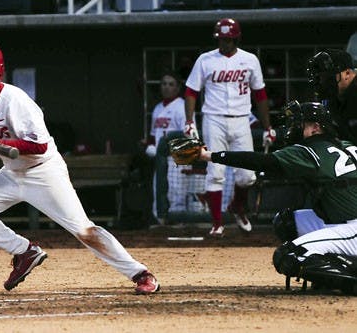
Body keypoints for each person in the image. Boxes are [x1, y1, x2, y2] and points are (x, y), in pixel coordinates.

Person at [0, 43, 160, 294]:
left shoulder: (16, 101)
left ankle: (140, 273)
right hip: (11, 174)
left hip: (42, 172)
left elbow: (39, 145)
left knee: (84, 230)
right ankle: (24, 251)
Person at [196, 100, 357, 294]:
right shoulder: (347, 146)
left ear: (315, 128)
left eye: (300, 123)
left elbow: (263, 162)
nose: (294, 128)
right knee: (287, 222)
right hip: (344, 221)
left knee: (289, 256)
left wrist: (210, 156)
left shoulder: (311, 150)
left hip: (353, 228)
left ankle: (351, 279)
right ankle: (333, 271)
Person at [183, 17, 276, 237]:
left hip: (242, 118)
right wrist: (189, 121)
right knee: (215, 171)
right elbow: (191, 91)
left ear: (236, 38)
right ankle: (217, 223)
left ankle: (236, 205)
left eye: (228, 39)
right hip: (213, 118)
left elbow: (260, 94)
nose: (224, 43)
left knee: (247, 176)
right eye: (221, 39)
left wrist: (267, 126)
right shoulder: (205, 60)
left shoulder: (250, 60)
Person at [143, 70, 194, 224]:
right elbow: (153, 136)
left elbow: (189, 137)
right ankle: (162, 230)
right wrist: (150, 146)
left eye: (171, 84)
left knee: (176, 197)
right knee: (158, 195)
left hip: (177, 159)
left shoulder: (182, 107)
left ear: (178, 88)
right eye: (164, 84)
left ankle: (178, 229)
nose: (166, 87)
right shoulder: (158, 108)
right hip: (161, 160)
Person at [306, 48, 357, 143]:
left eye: (328, 78)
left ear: (347, 73)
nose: (322, 82)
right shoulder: (334, 99)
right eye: (319, 78)